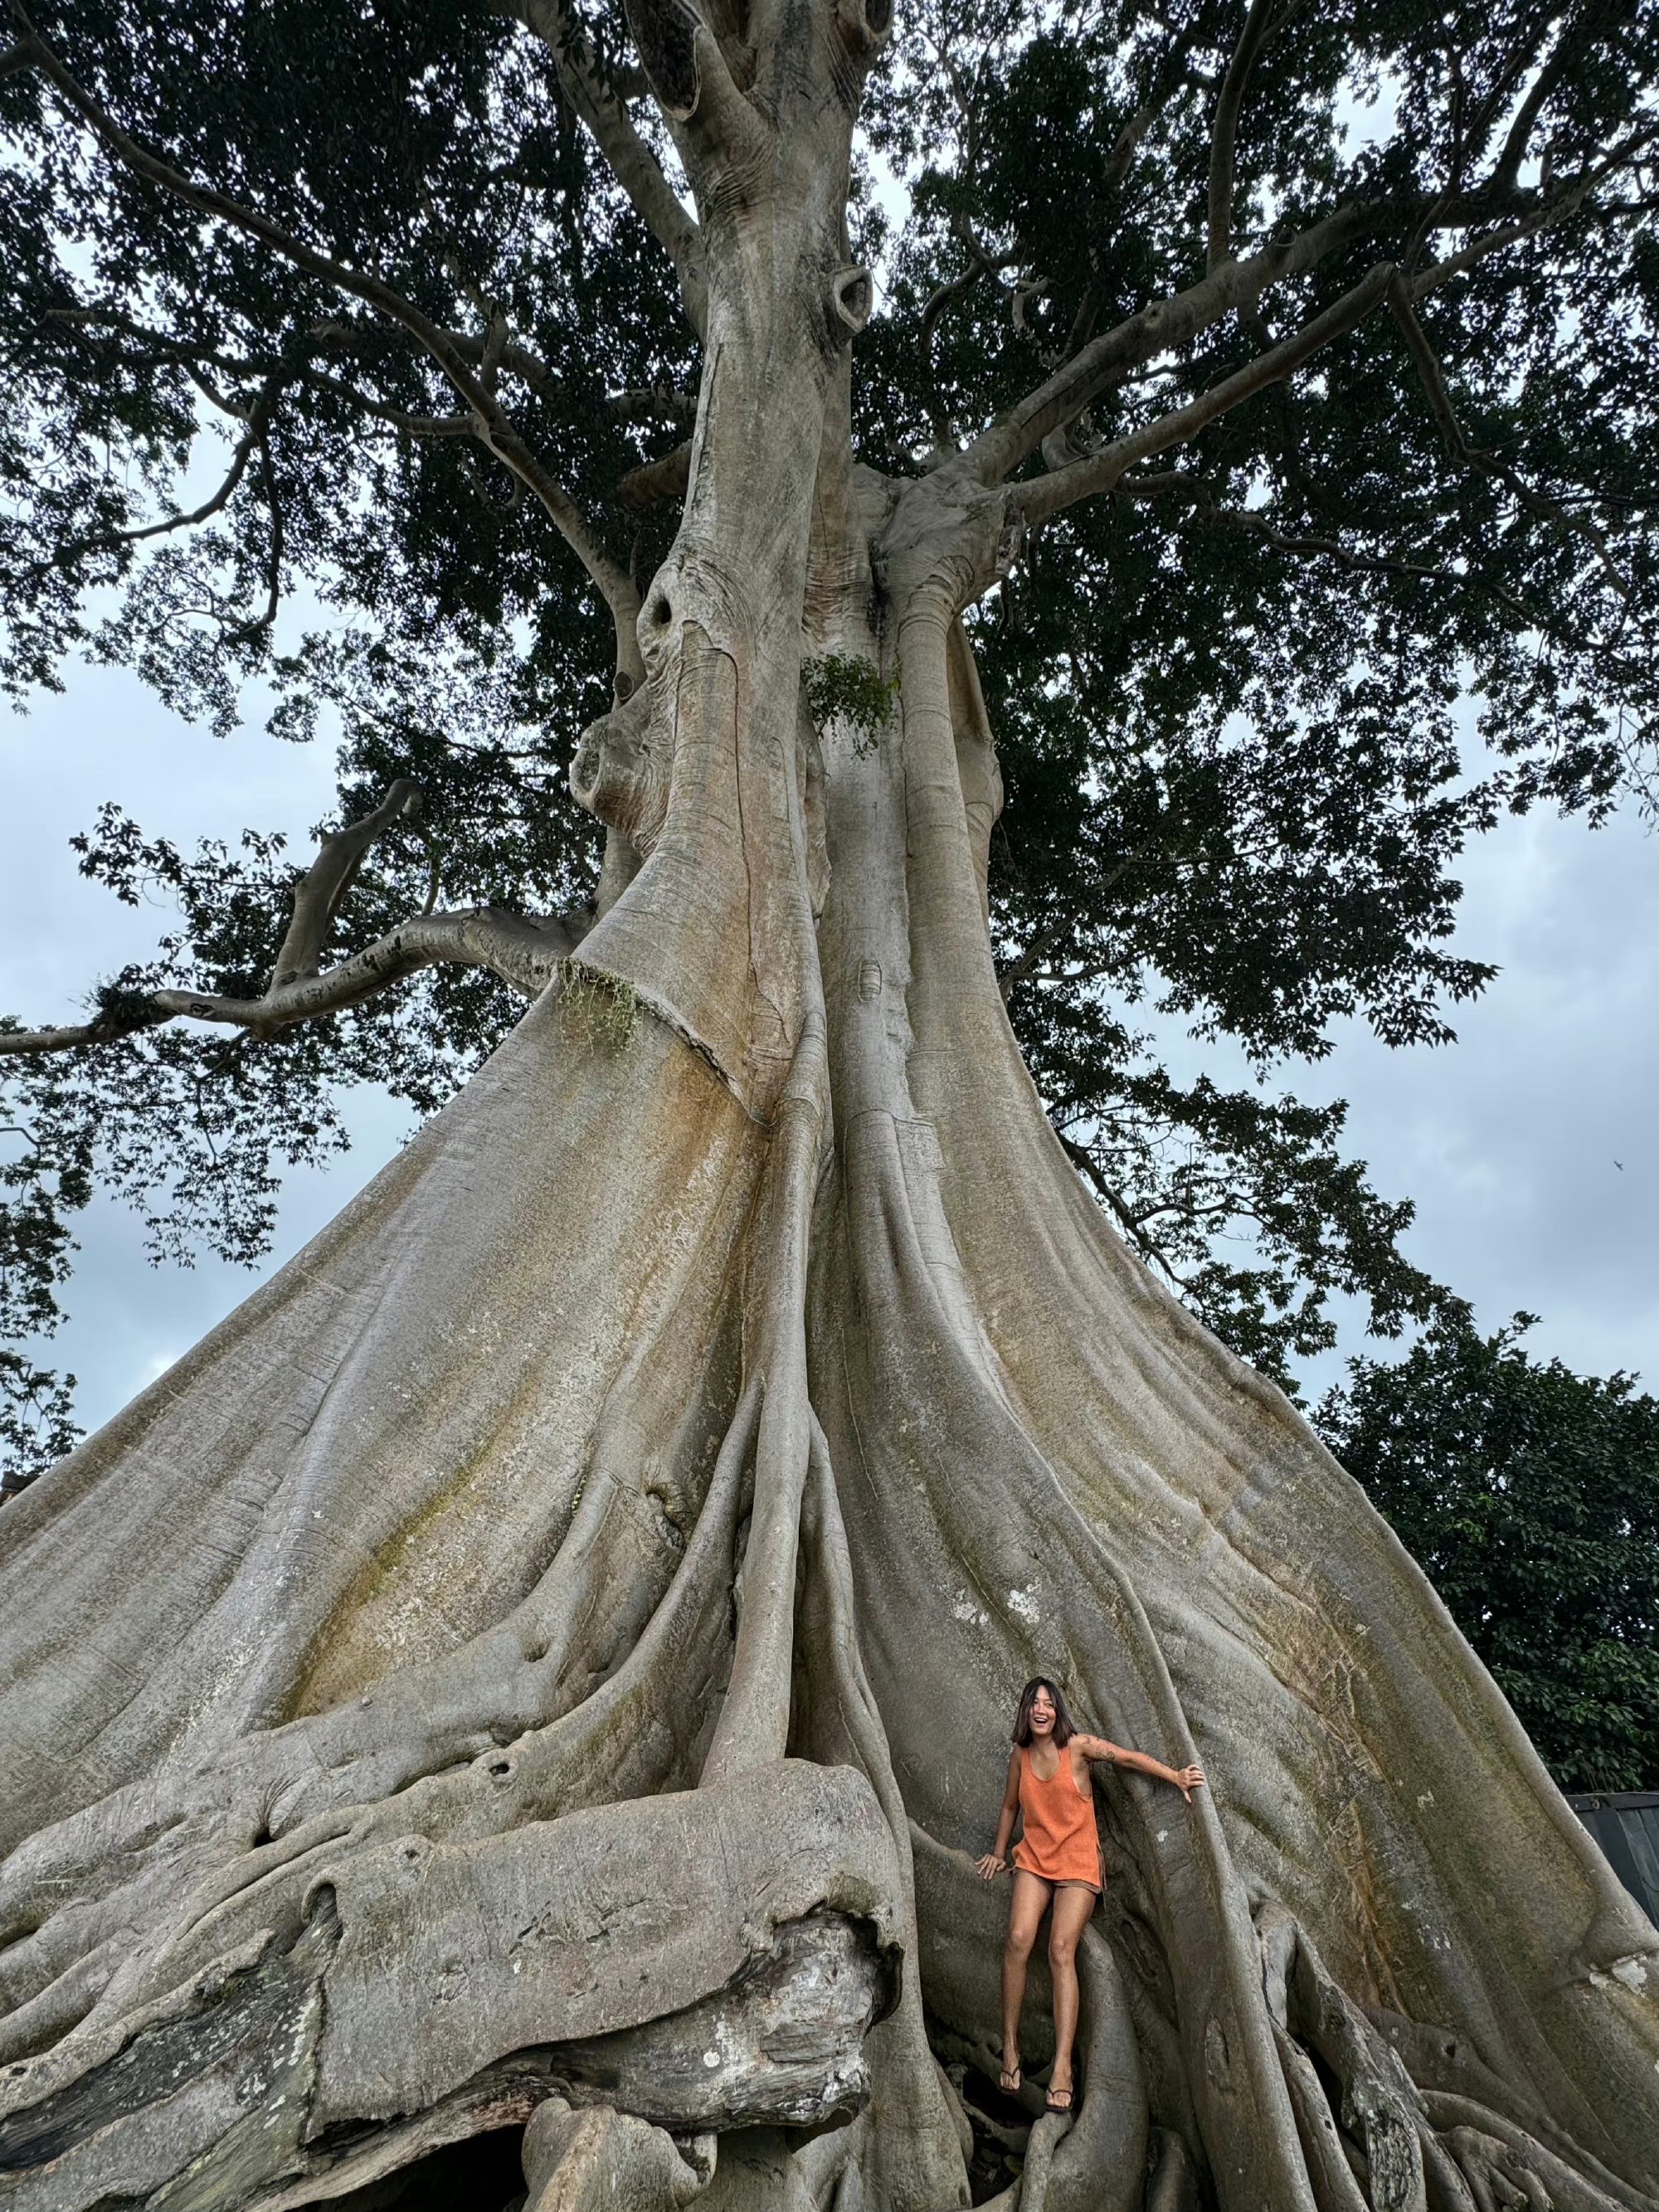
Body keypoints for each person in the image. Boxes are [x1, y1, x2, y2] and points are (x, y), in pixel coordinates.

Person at [976, 1677, 1204, 2113]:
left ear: (1058, 1712)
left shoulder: (1078, 1748)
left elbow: (1126, 1757)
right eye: (1033, 1704)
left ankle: (1063, 2067)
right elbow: (1010, 1807)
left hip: (1078, 1864)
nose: (1041, 1710)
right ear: (1025, 1713)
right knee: (1018, 1939)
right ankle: (1010, 2047)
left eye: (1049, 1704)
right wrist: (998, 1853)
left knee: (1062, 1949)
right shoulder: (1020, 1757)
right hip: (1035, 1860)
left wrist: (1174, 1775)